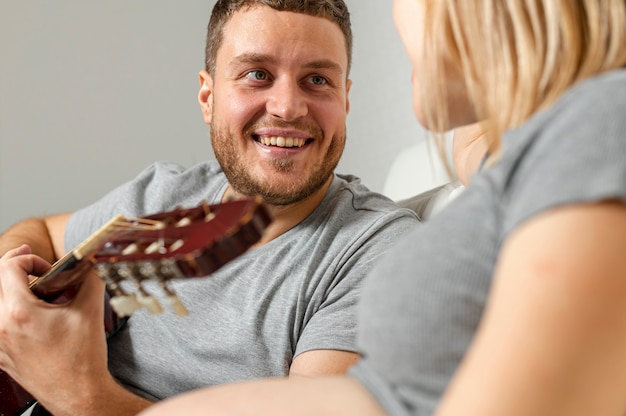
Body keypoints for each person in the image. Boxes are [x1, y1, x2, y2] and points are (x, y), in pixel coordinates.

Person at [139, 0, 626, 414]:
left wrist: (91, 394)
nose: (396, 18)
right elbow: (474, 141)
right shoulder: (528, 147)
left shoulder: (594, 129)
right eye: (258, 75)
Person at [0, 1, 420, 415]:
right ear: (208, 96)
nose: (288, 107)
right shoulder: (160, 198)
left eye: (316, 79)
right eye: (257, 75)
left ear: (345, 100)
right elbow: (40, 230)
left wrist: (79, 395)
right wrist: (9, 284)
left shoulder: (378, 253)